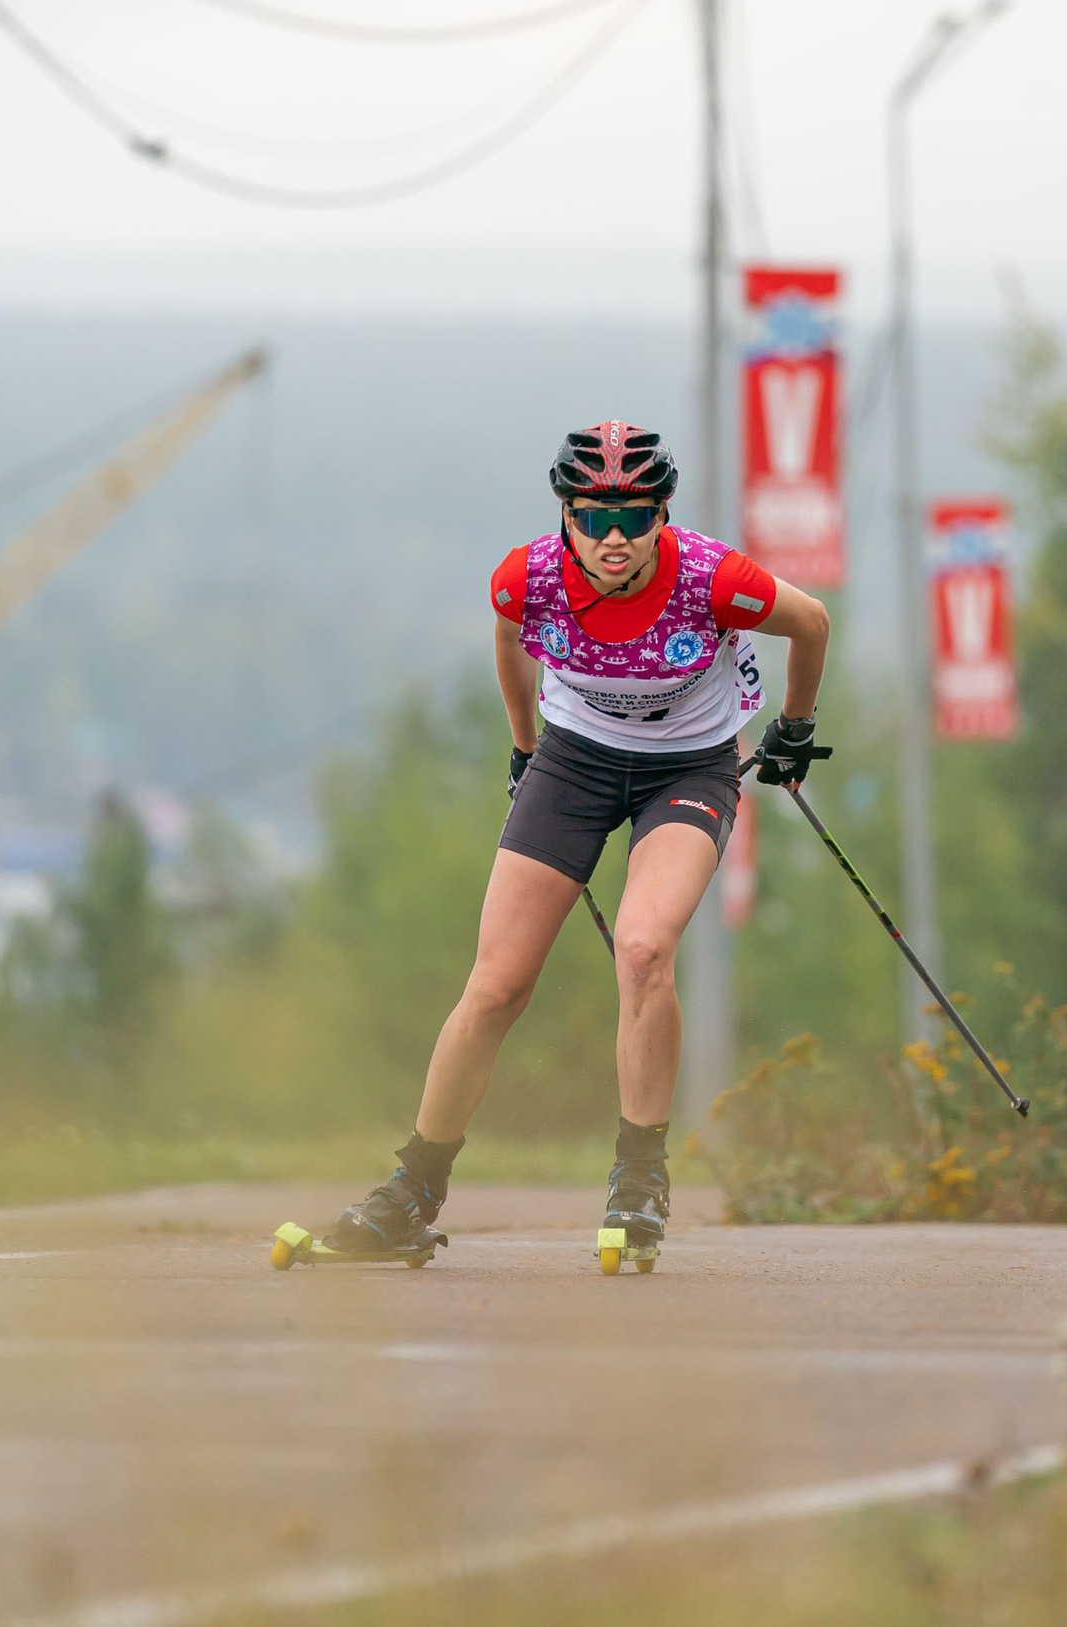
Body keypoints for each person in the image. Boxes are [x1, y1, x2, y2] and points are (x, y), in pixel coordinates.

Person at [323, 420, 831, 1264]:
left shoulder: (712, 579)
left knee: (642, 949)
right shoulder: (528, 579)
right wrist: (524, 747)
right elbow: (509, 638)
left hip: (689, 768)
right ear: (566, 516)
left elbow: (810, 620)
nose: (616, 538)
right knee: (496, 985)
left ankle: (639, 1182)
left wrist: (796, 725)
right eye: (594, 517)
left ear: (664, 513)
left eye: (635, 515)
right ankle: (412, 1189)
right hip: (574, 761)